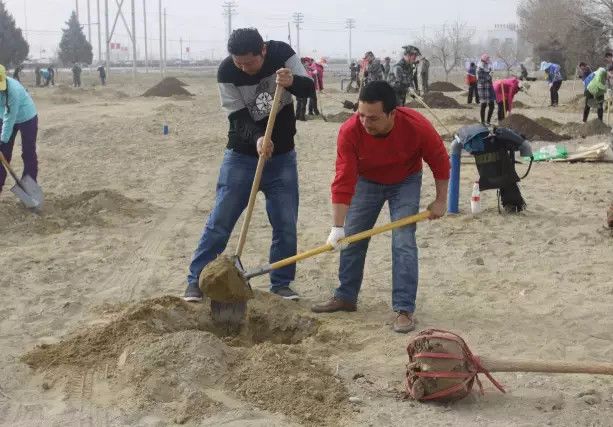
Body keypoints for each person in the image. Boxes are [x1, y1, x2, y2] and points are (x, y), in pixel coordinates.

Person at [183, 28, 314, 302]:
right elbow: (237, 116)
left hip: (282, 159)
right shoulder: (226, 72)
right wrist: (257, 139)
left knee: (285, 223)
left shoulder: (282, 54)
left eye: (249, 63)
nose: (243, 68)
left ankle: (281, 283)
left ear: (262, 51)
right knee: (220, 220)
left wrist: (291, 82)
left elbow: (309, 88)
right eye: (238, 62)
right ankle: (196, 281)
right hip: (241, 157)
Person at [310, 81, 450, 333]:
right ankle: (345, 297)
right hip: (367, 180)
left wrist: (441, 200)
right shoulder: (350, 131)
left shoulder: (416, 126)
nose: (365, 123)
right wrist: (337, 227)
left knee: (403, 240)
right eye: (361, 115)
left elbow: (440, 161)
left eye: (373, 118)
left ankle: (404, 309)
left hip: (405, 180)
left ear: (392, 114)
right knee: (351, 237)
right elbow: (343, 179)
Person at [0, 65, 39, 194]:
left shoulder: (13, 90)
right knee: (2, 153)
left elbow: (10, 117)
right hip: (6, 116)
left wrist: (2, 140)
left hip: (27, 117)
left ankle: (29, 189)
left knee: (28, 152)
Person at [477, 54, 495, 125]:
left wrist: (490, 74)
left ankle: (488, 121)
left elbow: (489, 78)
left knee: (492, 105)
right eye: (487, 60)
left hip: (489, 87)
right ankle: (482, 122)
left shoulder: (488, 66)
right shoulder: (479, 67)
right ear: (483, 60)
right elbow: (483, 78)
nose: (488, 61)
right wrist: (489, 75)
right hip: (482, 87)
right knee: (483, 104)